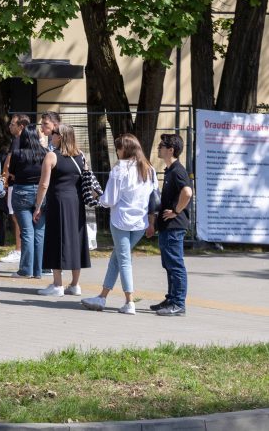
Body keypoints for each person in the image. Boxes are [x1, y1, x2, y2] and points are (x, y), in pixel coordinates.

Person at [82, 134, 157, 315]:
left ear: (126, 149)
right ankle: (102, 296)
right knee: (117, 257)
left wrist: (96, 196)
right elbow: (153, 196)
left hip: (121, 221)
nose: (116, 151)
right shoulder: (149, 169)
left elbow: (109, 199)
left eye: (118, 148)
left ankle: (129, 301)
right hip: (140, 222)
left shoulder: (119, 169)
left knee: (123, 260)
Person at [33, 123, 91, 296]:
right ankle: (75, 284)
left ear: (61, 136)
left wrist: (38, 206)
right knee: (76, 239)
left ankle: (57, 284)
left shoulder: (52, 156)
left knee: (56, 238)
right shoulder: (81, 155)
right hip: (76, 201)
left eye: (55, 133)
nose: (52, 135)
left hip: (58, 201)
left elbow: (44, 184)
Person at [151, 133, 193, 317]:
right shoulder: (170, 170)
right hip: (167, 227)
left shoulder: (177, 171)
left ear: (171, 150)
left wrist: (176, 210)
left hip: (174, 226)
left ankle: (178, 303)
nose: (158, 148)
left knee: (175, 265)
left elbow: (188, 192)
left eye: (162, 145)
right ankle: (171, 299)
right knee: (169, 265)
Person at [6, 123, 46, 279]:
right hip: (41, 194)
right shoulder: (45, 153)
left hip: (22, 191)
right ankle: (39, 270)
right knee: (39, 232)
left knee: (27, 232)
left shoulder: (18, 153)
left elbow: (12, 172)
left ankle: (25, 270)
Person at [0, 114, 29, 265]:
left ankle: (19, 249)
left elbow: (9, 163)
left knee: (16, 216)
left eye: (12, 124)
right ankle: (21, 249)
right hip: (18, 183)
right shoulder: (23, 140)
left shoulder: (17, 141)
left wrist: (4, 180)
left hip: (14, 183)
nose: (10, 126)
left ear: (20, 126)